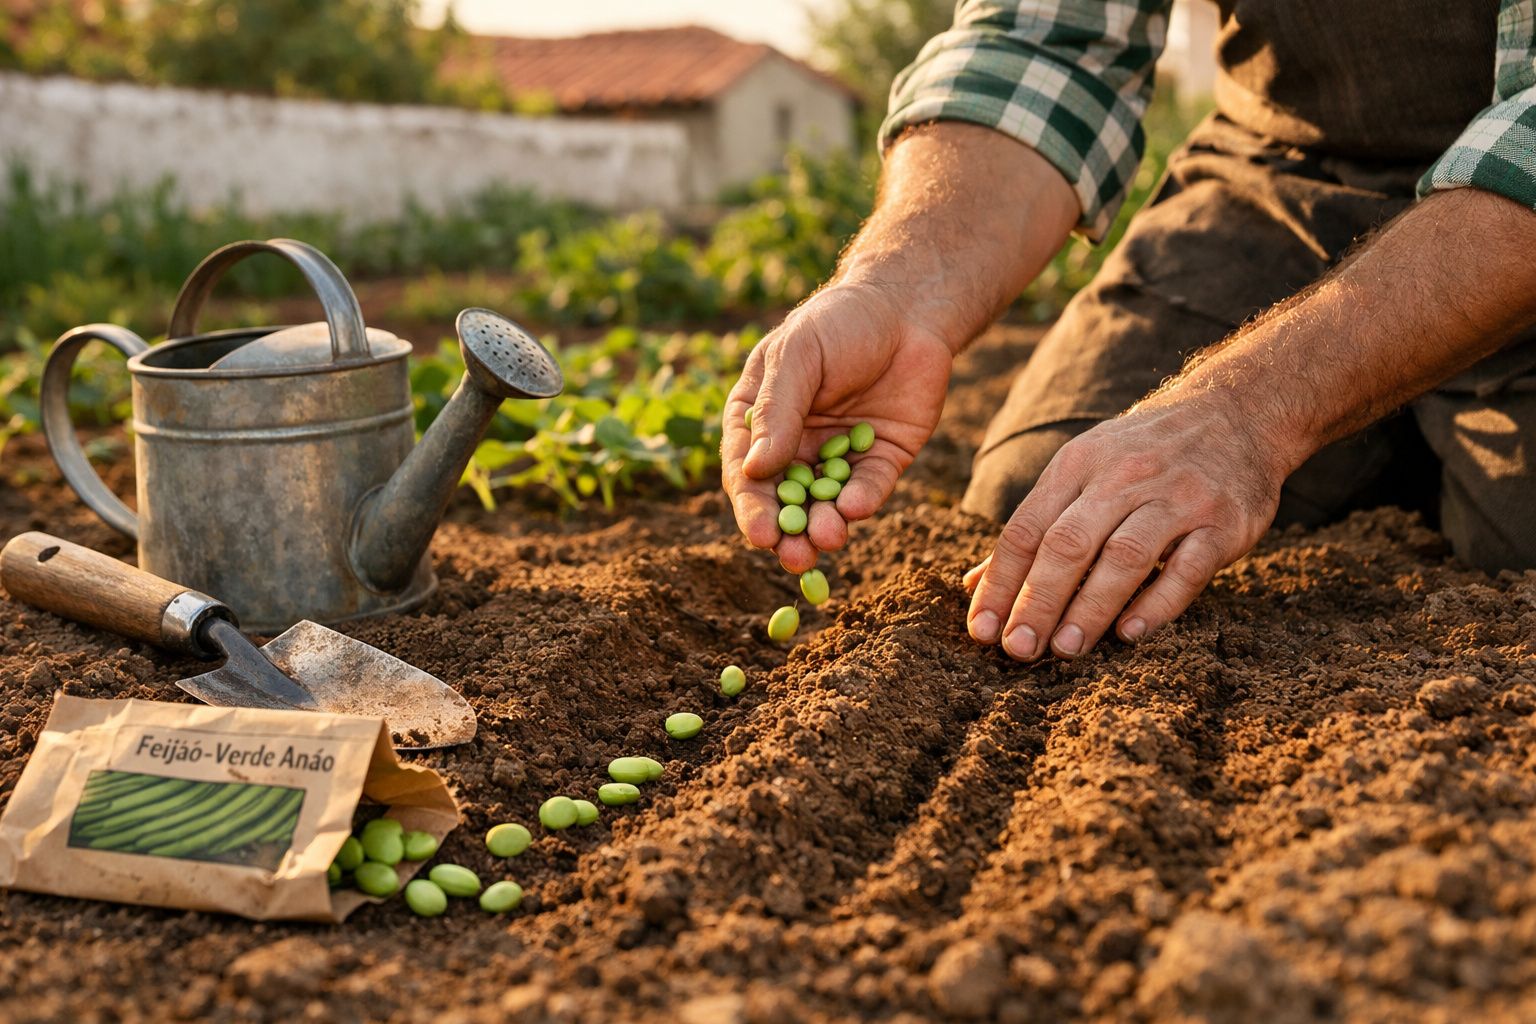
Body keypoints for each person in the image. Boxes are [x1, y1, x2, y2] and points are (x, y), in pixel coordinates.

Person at [721, 0, 1536, 662]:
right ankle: (1386, 429)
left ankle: (1387, 434)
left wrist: (1244, 412)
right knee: (1047, 501)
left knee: (1516, 548)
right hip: (1291, 168)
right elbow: (1046, 44)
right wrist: (899, 288)